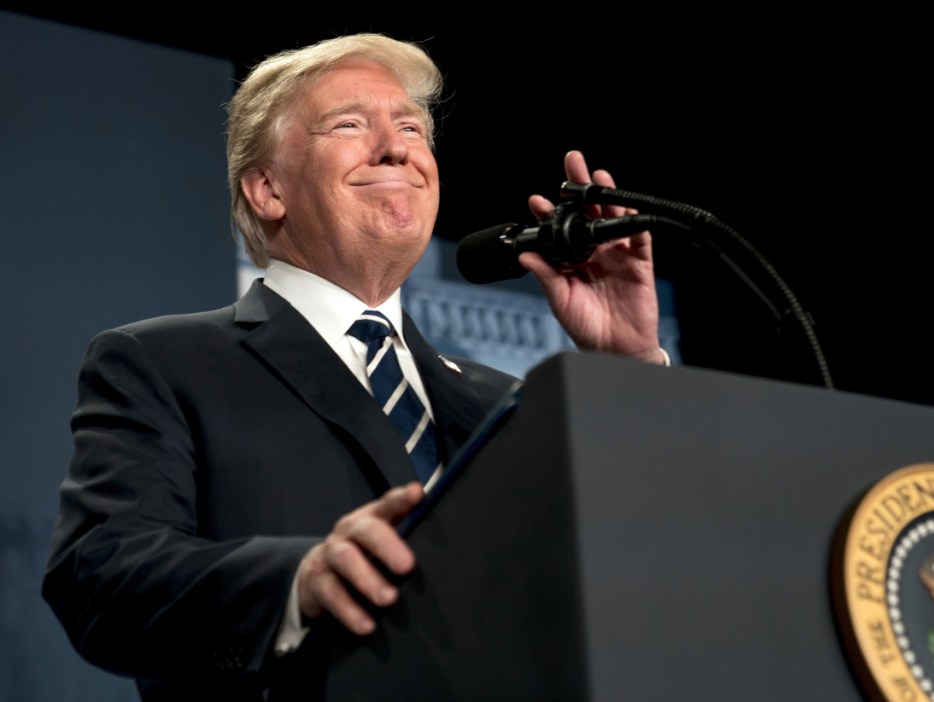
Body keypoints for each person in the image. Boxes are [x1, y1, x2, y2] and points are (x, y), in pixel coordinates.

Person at [41, 32, 665, 701]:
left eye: (409, 127)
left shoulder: (500, 403)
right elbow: (102, 579)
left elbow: (636, 580)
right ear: (267, 188)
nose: (398, 147)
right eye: (349, 125)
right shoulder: (162, 364)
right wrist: (298, 583)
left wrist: (626, 369)